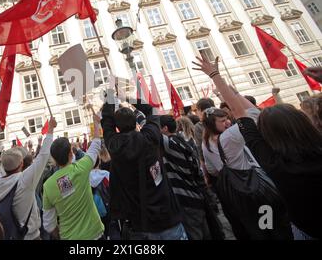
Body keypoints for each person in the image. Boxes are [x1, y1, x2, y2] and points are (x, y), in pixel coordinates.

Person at [194, 55, 312, 239]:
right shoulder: (227, 139)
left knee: (268, 230)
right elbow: (251, 114)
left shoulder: (273, 160)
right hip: (258, 193)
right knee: (271, 228)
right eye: (222, 120)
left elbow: (247, 115)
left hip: (264, 201)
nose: (227, 122)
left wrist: (216, 76)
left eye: (227, 119)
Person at [101, 90, 186, 240]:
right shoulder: (151, 136)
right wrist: (126, 96)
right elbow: (151, 110)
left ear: (117, 128)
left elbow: (106, 121)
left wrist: (109, 99)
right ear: (136, 122)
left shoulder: (113, 145)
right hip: (167, 216)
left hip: (140, 223)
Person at [0, 117, 56, 240]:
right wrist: (51, 129)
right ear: (21, 164)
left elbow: (1, 168)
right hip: (31, 235)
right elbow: (43, 156)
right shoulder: (24, 180)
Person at [42, 113, 104, 240]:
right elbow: (96, 144)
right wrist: (96, 123)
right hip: (95, 233)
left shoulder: (47, 186)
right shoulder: (82, 168)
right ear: (71, 153)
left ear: (53, 159)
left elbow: (48, 225)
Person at [160, 115, 210, 240]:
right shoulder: (182, 140)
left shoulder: (170, 144)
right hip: (196, 193)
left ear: (165, 128)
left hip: (186, 197)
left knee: (195, 233)